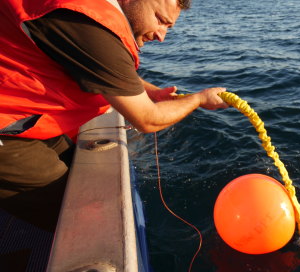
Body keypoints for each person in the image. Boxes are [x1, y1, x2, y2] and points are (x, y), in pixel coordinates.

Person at [0, 0, 229, 231]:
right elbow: (148, 119)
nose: (162, 36)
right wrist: (199, 99)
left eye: (168, 28)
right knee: (84, 221)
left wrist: (153, 93)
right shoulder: (86, 22)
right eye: (160, 20)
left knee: (82, 177)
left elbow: (102, 70)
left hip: (30, 118)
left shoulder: (91, 15)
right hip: (7, 129)